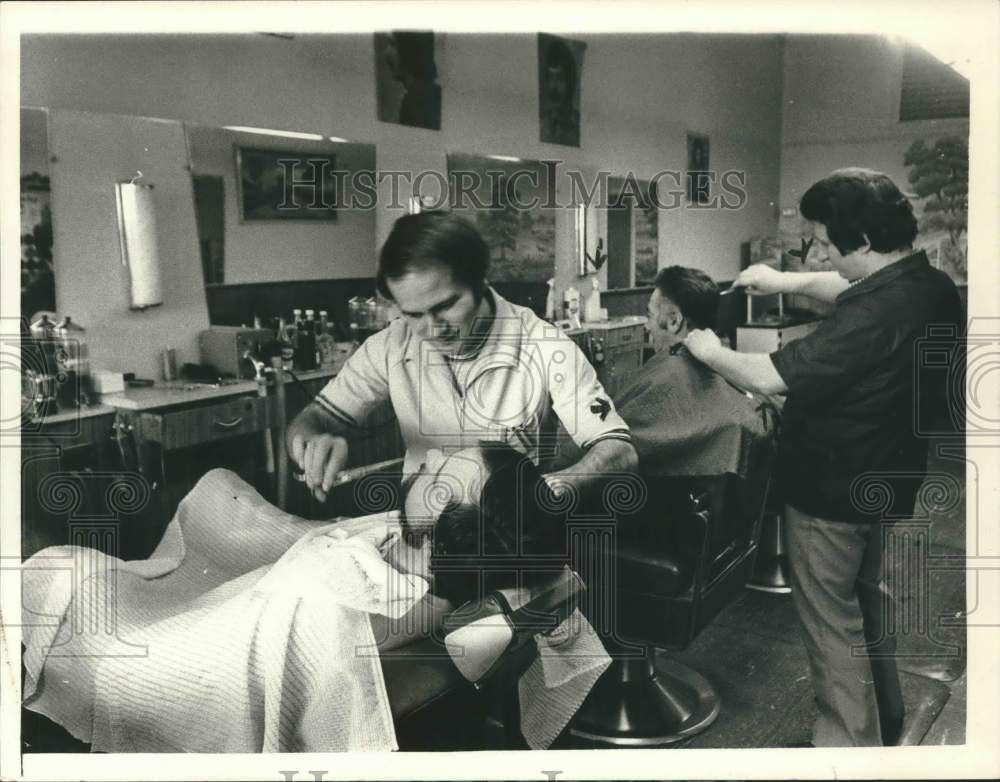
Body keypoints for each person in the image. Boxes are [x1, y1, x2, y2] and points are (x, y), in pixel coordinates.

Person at [21, 441, 575, 752]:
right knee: (217, 488)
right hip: (236, 590)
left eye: (438, 476)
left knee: (63, 568)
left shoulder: (351, 608)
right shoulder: (417, 553)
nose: (427, 456)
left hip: (185, 641)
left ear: (439, 533)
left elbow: (291, 620)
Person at [682, 168, 964, 747]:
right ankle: (879, 724)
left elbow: (769, 374)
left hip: (832, 493)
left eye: (827, 244)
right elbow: (854, 288)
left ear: (860, 242)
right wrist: (783, 279)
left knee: (831, 625)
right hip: (887, 480)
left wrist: (706, 347)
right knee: (861, 607)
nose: (821, 254)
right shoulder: (927, 285)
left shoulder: (873, 316)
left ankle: (846, 749)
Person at [287, 210, 637, 503]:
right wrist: (311, 442)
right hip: (419, 527)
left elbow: (618, 448)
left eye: (445, 306)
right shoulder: (389, 346)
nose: (431, 329)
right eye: (413, 314)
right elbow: (312, 419)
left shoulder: (545, 346)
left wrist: (549, 490)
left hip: (510, 530)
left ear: (480, 281)